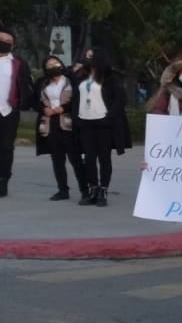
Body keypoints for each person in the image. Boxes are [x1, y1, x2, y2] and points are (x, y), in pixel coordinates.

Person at [71, 47, 131, 207]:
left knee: (104, 158)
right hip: (85, 121)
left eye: (91, 56)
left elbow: (119, 100)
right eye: (86, 56)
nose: (88, 59)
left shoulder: (110, 78)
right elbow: (76, 99)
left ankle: (103, 190)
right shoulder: (81, 77)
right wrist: (76, 117)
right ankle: (93, 189)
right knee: (89, 159)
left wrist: (109, 117)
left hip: (103, 122)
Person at [34, 54, 86, 201]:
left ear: (61, 64)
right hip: (50, 123)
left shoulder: (71, 81)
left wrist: (63, 108)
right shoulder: (43, 83)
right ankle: (63, 190)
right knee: (57, 159)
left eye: (55, 63)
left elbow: (78, 99)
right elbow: (34, 100)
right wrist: (44, 109)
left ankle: (85, 190)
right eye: (49, 65)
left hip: (69, 121)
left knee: (75, 158)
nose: (53, 67)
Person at [0, 25, 34, 197]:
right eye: (1, 40)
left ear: (13, 45)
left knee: (6, 148)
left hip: (8, 111)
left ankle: (3, 180)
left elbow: (26, 86)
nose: (3, 43)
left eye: (8, 41)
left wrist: (23, 103)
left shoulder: (18, 63)